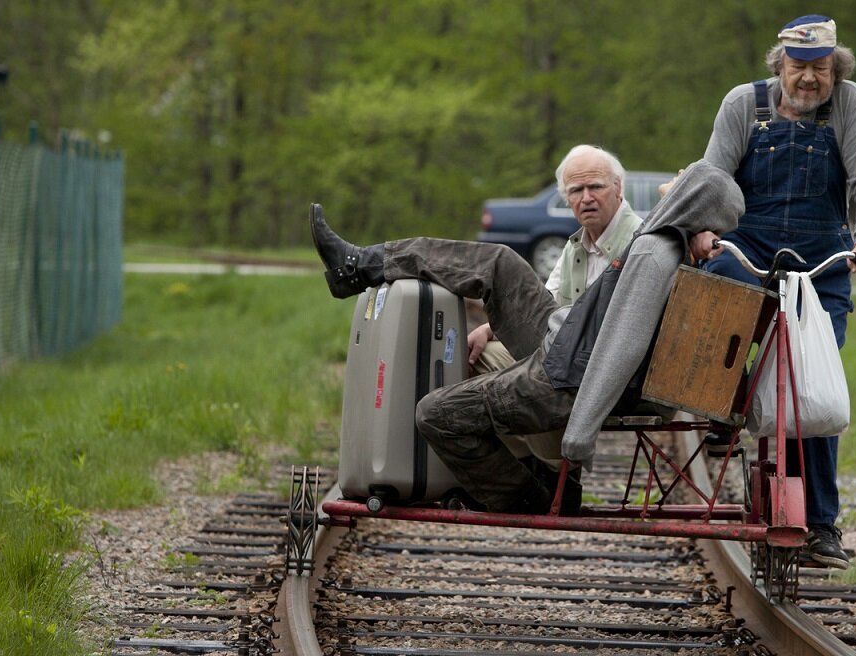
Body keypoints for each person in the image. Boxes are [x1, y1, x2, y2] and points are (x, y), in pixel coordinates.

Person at [310, 160, 744, 514]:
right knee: (500, 262)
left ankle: (532, 497)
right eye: (576, 190)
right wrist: (696, 231)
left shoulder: (654, 249)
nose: (673, 177)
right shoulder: (667, 238)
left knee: (435, 415)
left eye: (683, 176)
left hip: (567, 374)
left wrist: (580, 435)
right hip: (568, 344)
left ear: (691, 196)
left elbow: (622, 345)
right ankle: (360, 267)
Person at [691, 15, 856, 570]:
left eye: (820, 70)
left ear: (835, 69)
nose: (809, 80)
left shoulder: (849, 104)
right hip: (748, 248)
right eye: (799, 68)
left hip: (820, 259)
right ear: (780, 65)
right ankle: (722, 403)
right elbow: (713, 177)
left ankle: (821, 524)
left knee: (812, 390)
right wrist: (704, 228)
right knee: (710, 298)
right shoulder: (742, 105)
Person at [467, 144, 643, 481]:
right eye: (576, 190)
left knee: (517, 379)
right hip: (566, 355)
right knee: (477, 355)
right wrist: (489, 328)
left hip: (606, 370)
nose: (586, 197)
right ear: (567, 198)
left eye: (596, 187)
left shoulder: (639, 243)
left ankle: (555, 464)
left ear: (618, 188)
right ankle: (540, 460)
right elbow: (546, 299)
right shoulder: (577, 245)